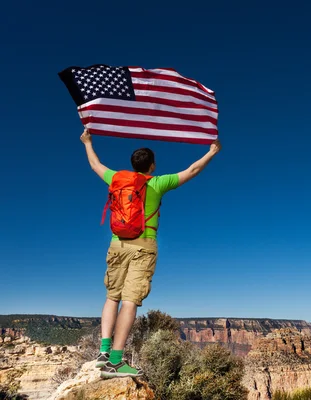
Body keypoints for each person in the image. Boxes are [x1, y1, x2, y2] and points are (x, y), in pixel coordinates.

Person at [80, 128, 221, 378]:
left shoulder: (115, 178)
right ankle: (116, 360)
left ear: (133, 165)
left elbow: (94, 164)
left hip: (117, 244)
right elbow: (192, 170)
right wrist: (211, 152)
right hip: (143, 246)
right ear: (152, 166)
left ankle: (103, 353)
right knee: (130, 300)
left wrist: (88, 142)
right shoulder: (157, 183)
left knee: (112, 296)